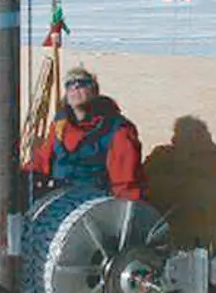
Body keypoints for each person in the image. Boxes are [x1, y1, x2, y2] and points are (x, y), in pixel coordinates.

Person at [30, 65, 147, 200]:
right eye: (69, 84)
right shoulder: (60, 125)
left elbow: (126, 184)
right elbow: (43, 160)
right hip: (58, 197)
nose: (75, 87)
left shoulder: (118, 130)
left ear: (94, 91)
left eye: (82, 83)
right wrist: (24, 174)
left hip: (94, 205)